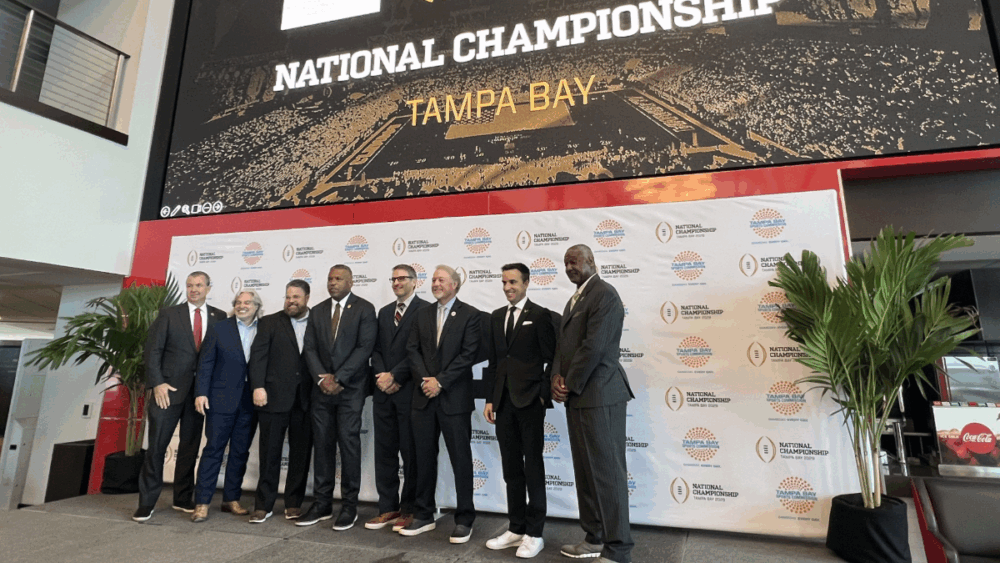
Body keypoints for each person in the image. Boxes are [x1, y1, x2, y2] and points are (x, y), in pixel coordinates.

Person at [551, 245, 635, 563]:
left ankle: (618, 549)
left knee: (607, 474)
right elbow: (564, 346)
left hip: (601, 396)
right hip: (578, 397)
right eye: (566, 262)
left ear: (591, 262)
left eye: (576, 261)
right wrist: (556, 378)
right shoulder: (575, 299)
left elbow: (595, 347)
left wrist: (568, 383)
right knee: (586, 472)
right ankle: (595, 538)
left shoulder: (605, 294)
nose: (570, 266)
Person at [134, 271, 227, 522]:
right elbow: (152, 351)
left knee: (189, 447)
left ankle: (182, 498)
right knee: (156, 447)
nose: (193, 289)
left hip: (199, 396)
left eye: (198, 285)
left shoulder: (220, 317)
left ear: (209, 287)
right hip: (168, 392)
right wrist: (157, 383)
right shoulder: (168, 314)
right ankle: (146, 503)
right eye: (189, 285)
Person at [400, 265, 480, 543]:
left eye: (441, 280)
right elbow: (412, 349)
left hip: (453, 400)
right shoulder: (421, 314)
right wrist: (426, 379)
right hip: (423, 398)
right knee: (422, 459)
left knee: (461, 460)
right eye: (433, 280)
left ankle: (465, 518)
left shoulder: (470, 315)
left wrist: (440, 382)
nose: (435, 284)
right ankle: (423, 515)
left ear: (455, 285)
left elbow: (468, 354)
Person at [483, 263, 557, 558]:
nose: (507, 287)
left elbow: (552, 360)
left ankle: (535, 533)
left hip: (530, 403)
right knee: (511, 467)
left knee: (533, 467)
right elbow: (494, 363)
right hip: (503, 403)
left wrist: (541, 396)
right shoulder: (496, 317)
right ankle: (516, 527)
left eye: (513, 281)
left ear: (526, 283)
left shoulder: (540, 316)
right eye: (503, 282)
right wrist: (490, 399)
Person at [299, 265, 377, 530]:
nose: (333, 283)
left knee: (349, 445)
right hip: (321, 391)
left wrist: (339, 378)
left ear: (351, 281)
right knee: (322, 446)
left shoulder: (365, 309)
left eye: (338, 279)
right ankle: (322, 504)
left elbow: (364, 348)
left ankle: (349, 506)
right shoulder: (318, 310)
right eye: (330, 278)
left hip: (350, 391)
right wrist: (323, 379)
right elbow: (309, 348)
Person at [190, 290, 263, 521]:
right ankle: (202, 503)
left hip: (250, 402)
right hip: (220, 399)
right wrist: (201, 392)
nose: (242, 306)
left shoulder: (265, 330)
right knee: (213, 451)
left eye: (247, 302)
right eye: (238, 302)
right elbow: (205, 363)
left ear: (256, 306)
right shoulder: (219, 328)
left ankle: (231, 499)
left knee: (240, 452)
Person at [367, 265, 428, 531]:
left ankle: (410, 508)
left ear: (415, 282)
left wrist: (395, 376)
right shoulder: (383, 312)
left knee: (411, 452)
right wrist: (382, 375)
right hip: (383, 394)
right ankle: (388, 507)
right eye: (393, 278)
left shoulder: (426, 311)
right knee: (385, 452)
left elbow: (420, 351)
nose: (397, 283)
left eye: (402, 278)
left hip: (409, 393)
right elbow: (376, 349)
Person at [247, 279, 314, 523]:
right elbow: (258, 357)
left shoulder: (319, 321)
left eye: (296, 296)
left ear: (307, 298)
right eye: (288, 296)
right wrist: (257, 386)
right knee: (269, 453)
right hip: (273, 398)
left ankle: (294, 503)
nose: (291, 301)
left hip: (306, 400)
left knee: (300, 454)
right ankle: (263, 505)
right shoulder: (270, 322)